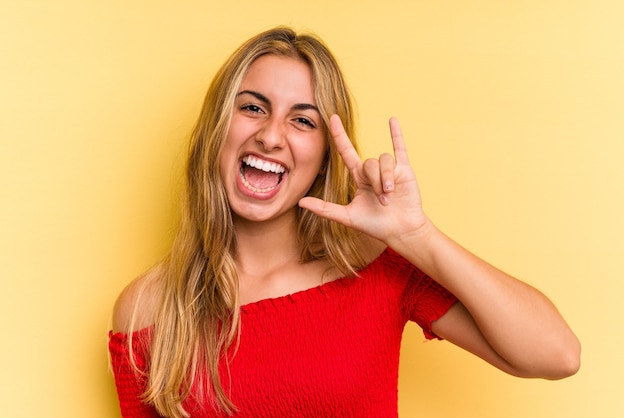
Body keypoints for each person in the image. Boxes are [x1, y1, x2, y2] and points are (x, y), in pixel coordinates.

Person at [109, 26, 580, 418]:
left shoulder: (375, 267)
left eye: (303, 121)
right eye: (252, 107)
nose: (271, 135)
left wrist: (417, 236)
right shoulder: (149, 308)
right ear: (217, 131)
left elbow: (557, 355)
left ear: (321, 161)